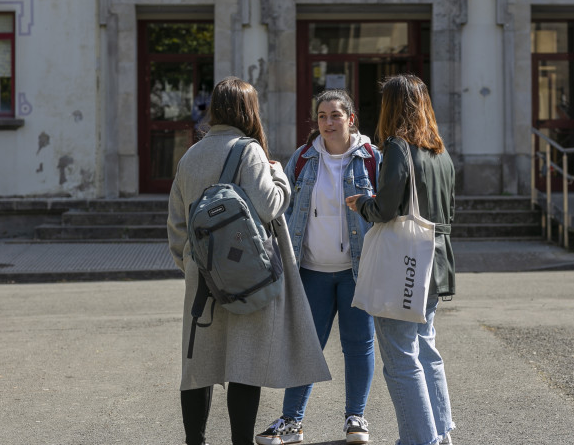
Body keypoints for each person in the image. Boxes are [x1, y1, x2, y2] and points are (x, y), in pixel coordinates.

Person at [167, 77, 331, 445]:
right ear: (248, 110)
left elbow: (176, 225)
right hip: (248, 275)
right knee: (244, 364)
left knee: (199, 368)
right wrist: (278, 175)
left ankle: (197, 441)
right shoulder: (249, 151)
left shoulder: (191, 155)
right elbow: (270, 205)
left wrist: (195, 266)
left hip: (203, 279)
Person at [255, 89, 381, 445]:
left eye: (335, 115)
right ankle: (292, 422)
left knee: (359, 345)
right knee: (305, 347)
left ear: (351, 119)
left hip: (358, 271)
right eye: (322, 116)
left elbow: (387, 209)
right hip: (311, 270)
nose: (328, 122)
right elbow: (283, 204)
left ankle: (356, 418)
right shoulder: (303, 158)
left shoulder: (372, 158)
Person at [345, 74, 456, 445]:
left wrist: (361, 202)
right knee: (427, 351)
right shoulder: (440, 152)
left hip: (404, 266)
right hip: (436, 263)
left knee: (401, 359)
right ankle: (441, 435)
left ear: (392, 106)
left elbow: (386, 208)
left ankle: (419, 439)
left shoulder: (398, 147)